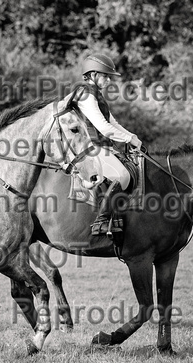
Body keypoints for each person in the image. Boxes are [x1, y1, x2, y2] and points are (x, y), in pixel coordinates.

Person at [62, 53, 143, 235]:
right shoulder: (86, 94)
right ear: (92, 75)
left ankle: (120, 217)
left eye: (109, 76)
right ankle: (102, 221)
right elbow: (103, 128)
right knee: (122, 175)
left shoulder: (96, 95)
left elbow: (112, 122)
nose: (108, 80)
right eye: (105, 76)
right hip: (91, 147)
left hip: (104, 146)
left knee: (131, 170)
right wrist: (129, 139)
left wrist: (132, 135)